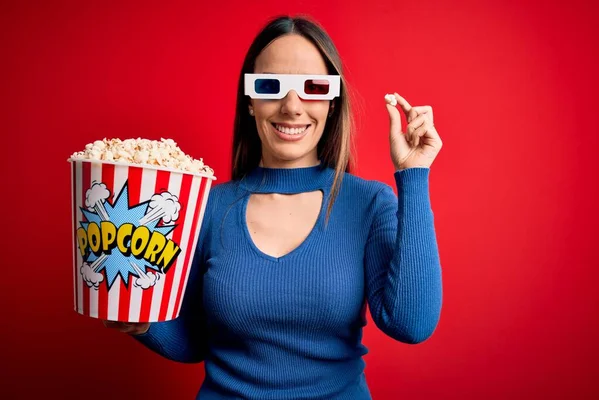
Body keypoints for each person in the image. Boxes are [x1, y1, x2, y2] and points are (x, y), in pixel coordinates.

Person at [103, 14, 443, 399]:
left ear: (332, 102)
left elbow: (412, 323)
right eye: (270, 86)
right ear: (250, 102)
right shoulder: (208, 207)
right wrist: (143, 323)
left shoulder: (368, 204)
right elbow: (196, 340)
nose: (292, 107)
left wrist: (413, 175)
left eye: (313, 87)